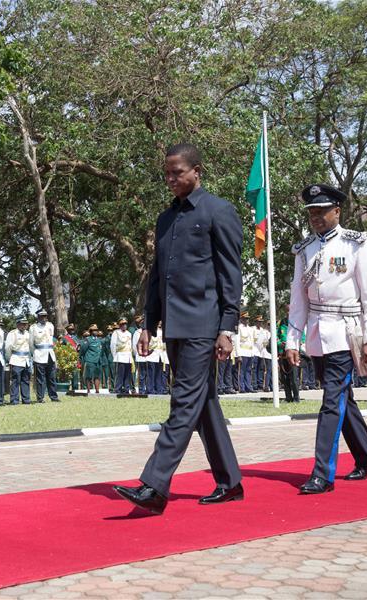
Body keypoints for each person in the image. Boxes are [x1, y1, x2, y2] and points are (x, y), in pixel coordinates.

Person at [113, 143, 243, 515]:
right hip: (174, 326)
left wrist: (227, 328)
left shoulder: (218, 210)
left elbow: (230, 274)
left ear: (197, 171)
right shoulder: (165, 218)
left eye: (178, 173)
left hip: (204, 323)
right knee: (202, 404)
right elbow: (158, 276)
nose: (171, 180)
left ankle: (154, 486)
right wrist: (148, 324)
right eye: (167, 174)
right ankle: (230, 481)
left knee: (184, 403)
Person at [285, 184, 367, 494]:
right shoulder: (304, 250)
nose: (315, 216)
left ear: (337, 211)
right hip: (316, 335)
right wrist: (292, 339)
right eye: (311, 211)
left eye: (321, 210)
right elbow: (298, 300)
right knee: (342, 398)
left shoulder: (357, 244)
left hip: (345, 333)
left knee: (330, 402)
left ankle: (322, 474)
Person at [29, 309, 59, 402]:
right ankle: (40, 397)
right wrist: (35, 353)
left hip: (50, 354)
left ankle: (53, 397)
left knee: (52, 377)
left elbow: (51, 339)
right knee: (40, 378)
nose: (44, 318)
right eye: (42, 316)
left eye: (45, 316)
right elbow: (31, 343)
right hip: (39, 354)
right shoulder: (33, 327)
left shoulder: (50, 325)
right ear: (37, 317)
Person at [5, 316, 32, 405]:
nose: (24, 326)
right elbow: (8, 348)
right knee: (15, 381)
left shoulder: (28, 334)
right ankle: (14, 400)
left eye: (25, 324)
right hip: (16, 359)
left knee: (25, 380)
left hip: (26, 360)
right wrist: (10, 359)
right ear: (17, 324)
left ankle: (26, 399)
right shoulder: (12, 334)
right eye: (22, 324)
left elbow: (31, 347)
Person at [277, 311, 300, 403]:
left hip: (293, 355)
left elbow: (302, 338)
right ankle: (288, 397)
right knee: (284, 378)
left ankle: (296, 398)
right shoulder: (280, 324)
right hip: (283, 355)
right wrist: (280, 344)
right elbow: (275, 337)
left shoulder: (296, 324)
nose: (288, 314)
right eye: (287, 312)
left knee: (294, 378)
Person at [111, 319, 133, 394]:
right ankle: (117, 389)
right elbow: (113, 345)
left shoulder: (129, 334)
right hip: (120, 356)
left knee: (127, 374)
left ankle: (127, 389)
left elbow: (130, 345)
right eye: (123, 324)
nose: (124, 326)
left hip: (128, 356)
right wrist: (115, 356)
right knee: (120, 374)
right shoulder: (116, 333)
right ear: (120, 326)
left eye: (125, 324)